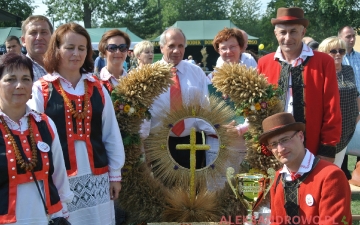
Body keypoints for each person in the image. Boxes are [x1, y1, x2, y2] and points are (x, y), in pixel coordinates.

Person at [27, 23, 125, 225]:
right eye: (69, 47)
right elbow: (33, 138)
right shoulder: (41, 89)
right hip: (59, 180)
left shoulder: (97, 88)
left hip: (97, 179)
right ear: (57, 49)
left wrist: (115, 175)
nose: (76, 53)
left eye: (82, 48)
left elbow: (110, 133)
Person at [257, 7, 342, 163]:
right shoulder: (264, 63)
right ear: (276, 34)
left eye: (293, 31)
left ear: (303, 33)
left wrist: (327, 150)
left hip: (314, 147)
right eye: (283, 32)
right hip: (276, 150)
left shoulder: (323, 62)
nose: (288, 37)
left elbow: (332, 109)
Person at [0, 53, 73, 225]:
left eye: (26, 79)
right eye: (10, 79)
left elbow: (59, 177)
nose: (19, 85)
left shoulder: (45, 123)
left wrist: (61, 214)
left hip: (44, 217)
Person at [259, 112, 352, 225]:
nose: (280, 149)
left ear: (300, 136)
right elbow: (276, 221)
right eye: (273, 144)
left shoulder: (331, 176)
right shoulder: (278, 177)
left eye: (285, 140)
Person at [150, 27, 213, 169]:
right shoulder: (150, 75)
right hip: (160, 143)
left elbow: (207, 105)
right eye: (171, 46)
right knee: (163, 189)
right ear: (161, 48)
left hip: (192, 141)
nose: (176, 51)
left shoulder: (196, 72)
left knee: (192, 187)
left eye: (180, 46)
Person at [318, 37, 359, 170]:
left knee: (337, 167)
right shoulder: (321, 73)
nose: (338, 54)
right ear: (324, 52)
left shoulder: (348, 70)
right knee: (324, 168)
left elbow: (355, 94)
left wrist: (357, 115)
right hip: (328, 129)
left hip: (347, 127)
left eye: (341, 51)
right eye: (333, 51)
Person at [338, 25, 360, 167]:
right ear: (340, 37)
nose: (352, 39)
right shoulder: (337, 57)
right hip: (343, 103)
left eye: (353, 36)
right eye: (348, 36)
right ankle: (343, 170)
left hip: (359, 100)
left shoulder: (359, 57)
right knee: (344, 137)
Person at [21, 15, 53, 81]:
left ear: (52, 38)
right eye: (33, 33)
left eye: (44, 32)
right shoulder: (17, 69)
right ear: (23, 41)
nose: (39, 37)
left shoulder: (64, 66)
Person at [98, 29, 131, 93]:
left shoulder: (133, 81)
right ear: (104, 52)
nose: (118, 52)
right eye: (112, 48)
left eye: (122, 47)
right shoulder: (96, 81)